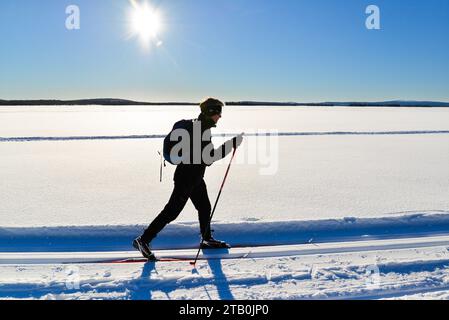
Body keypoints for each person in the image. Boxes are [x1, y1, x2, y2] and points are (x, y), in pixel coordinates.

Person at [133, 98, 243, 259]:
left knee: (204, 207)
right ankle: (143, 240)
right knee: (171, 212)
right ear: (211, 112)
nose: (220, 116)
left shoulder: (196, 126)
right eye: (218, 112)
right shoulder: (201, 130)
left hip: (194, 176)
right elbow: (209, 158)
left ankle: (207, 239)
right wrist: (230, 145)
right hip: (187, 177)